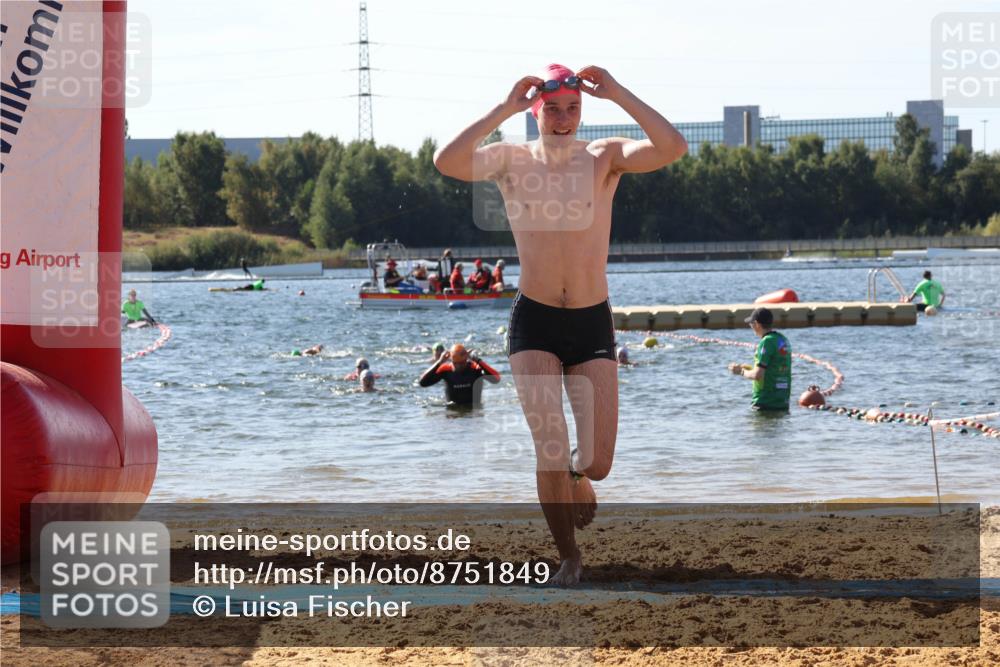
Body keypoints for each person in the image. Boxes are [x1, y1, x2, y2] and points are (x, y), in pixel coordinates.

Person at [434, 63, 686, 585]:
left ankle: (578, 476)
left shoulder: (605, 157)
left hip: (592, 322)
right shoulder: (511, 160)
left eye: (573, 108)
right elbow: (447, 161)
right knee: (548, 444)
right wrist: (503, 107)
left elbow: (672, 147)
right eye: (552, 109)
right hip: (535, 321)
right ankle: (568, 554)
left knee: (596, 464)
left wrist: (619, 93)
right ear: (536, 111)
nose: (564, 119)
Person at [728, 307, 792, 411]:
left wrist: (741, 371)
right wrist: (750, 368)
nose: (751, 327)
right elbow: (774, 368)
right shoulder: (783, 339)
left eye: (751, 324)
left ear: (757, 324)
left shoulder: (766, 342)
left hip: (765, 402)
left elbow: (757, 375)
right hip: (782, 402)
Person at [419, 344, 501, 406]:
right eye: (456, 363)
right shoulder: (445, 370)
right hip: (452, 410)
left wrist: (478, 360)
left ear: (466, 359)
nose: (459, 366)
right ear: (451, 361)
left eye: (461, 363)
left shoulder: (475, 368)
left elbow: (496, 379)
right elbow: (422, 382)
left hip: (474, 409)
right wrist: (439, 362)